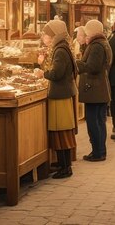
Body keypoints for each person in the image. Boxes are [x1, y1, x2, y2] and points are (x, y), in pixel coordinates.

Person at [38, 19, 78, 179]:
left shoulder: (60, 50)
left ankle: (66, 167)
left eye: (47, 34)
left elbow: (57, 74)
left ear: (54, 35)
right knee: (60, 130)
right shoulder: (62, 47)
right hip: (61, 94)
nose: (45, 38)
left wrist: (42, 73)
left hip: (60, 95)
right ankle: (62, 164)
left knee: (62, 131)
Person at [77, 19, 112, 162]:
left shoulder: (97, 45)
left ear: (91, 31)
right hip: (99, 88)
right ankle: (100, 151)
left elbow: (93, 67)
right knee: (99, 121)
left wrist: (78, 63)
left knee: (94, 121)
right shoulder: (102, 43)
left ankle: (98, 152)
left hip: (95, 88)